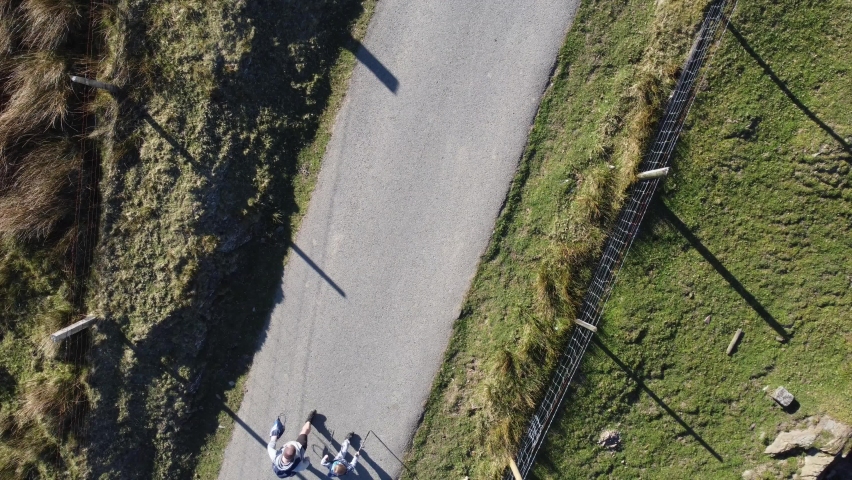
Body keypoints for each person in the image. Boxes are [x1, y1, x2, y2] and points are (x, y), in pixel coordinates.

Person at [268, 410, 316, 478]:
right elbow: (270, 445)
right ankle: (309, 420)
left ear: (284, 452)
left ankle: (309, 421)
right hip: (299, 446)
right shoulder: (274, 456)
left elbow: (307, 460)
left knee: (304, 432)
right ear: (294, 455)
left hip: (299, 449)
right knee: (304, 431)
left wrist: (274, 435)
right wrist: (275, 435)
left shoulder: (299, 467)